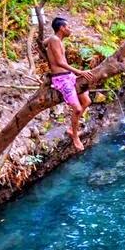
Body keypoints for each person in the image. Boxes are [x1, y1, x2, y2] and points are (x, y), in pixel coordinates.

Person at [44, 17, 94, 151]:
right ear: (61, 28)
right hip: (61, 79)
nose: (70, 29)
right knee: (77, 109)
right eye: (68, 27)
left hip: (69, 76)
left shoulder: (55, 39)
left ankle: (73, 128)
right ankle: (75, 135)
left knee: (87, 101)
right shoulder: (55, 40)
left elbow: (44, 43)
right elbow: (60, 62)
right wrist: (80, 72)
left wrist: (47, 41)